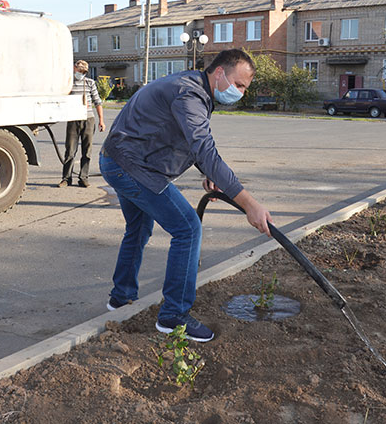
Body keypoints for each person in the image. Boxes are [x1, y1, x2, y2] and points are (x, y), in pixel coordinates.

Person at [99, 49, 272, 342]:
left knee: (139, 227)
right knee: (188, 228)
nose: (240, 93)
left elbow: (182, 138)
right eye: (238, 85)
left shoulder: (191, 87)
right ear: (219, 73)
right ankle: (173, 316)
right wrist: (249, 204)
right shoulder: (189, 95)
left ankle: (120, 298)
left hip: (118, 160)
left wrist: (210, 174)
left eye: (244, 88)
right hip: (131, 167)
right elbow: (203, 147)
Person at [59, 60, 106, 188]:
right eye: (79, 70)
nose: (81, 73)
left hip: (88, 119)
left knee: (87, 151)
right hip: (73, 120)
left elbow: (98, 102)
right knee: (70, 150)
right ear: (74, 68)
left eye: (83, 71)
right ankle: (66, 178)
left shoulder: (90, 83)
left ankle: (83, 178)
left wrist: (101, 120)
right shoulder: (69, 84)